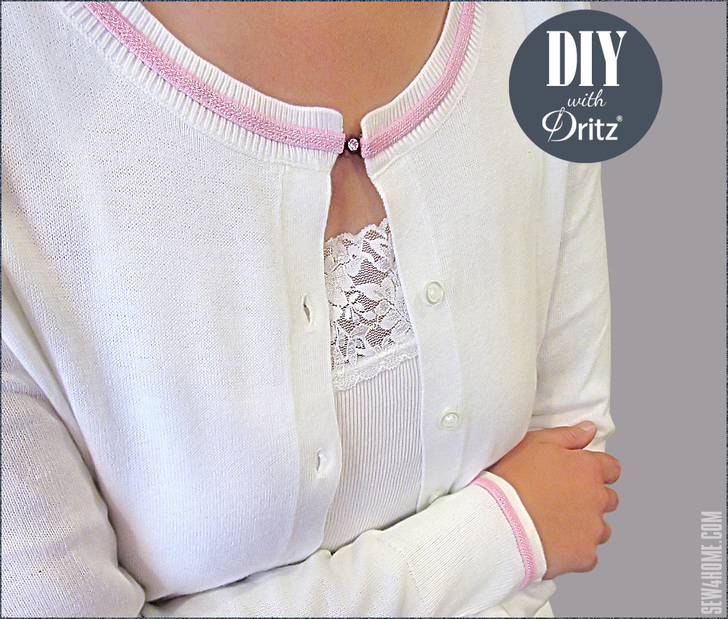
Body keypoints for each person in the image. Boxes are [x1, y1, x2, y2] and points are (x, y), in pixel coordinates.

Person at [1, 1, 620, 616]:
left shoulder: (537, 24)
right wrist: (502, 534)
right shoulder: (21, 98)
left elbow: (572, 468)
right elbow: (543, 521)